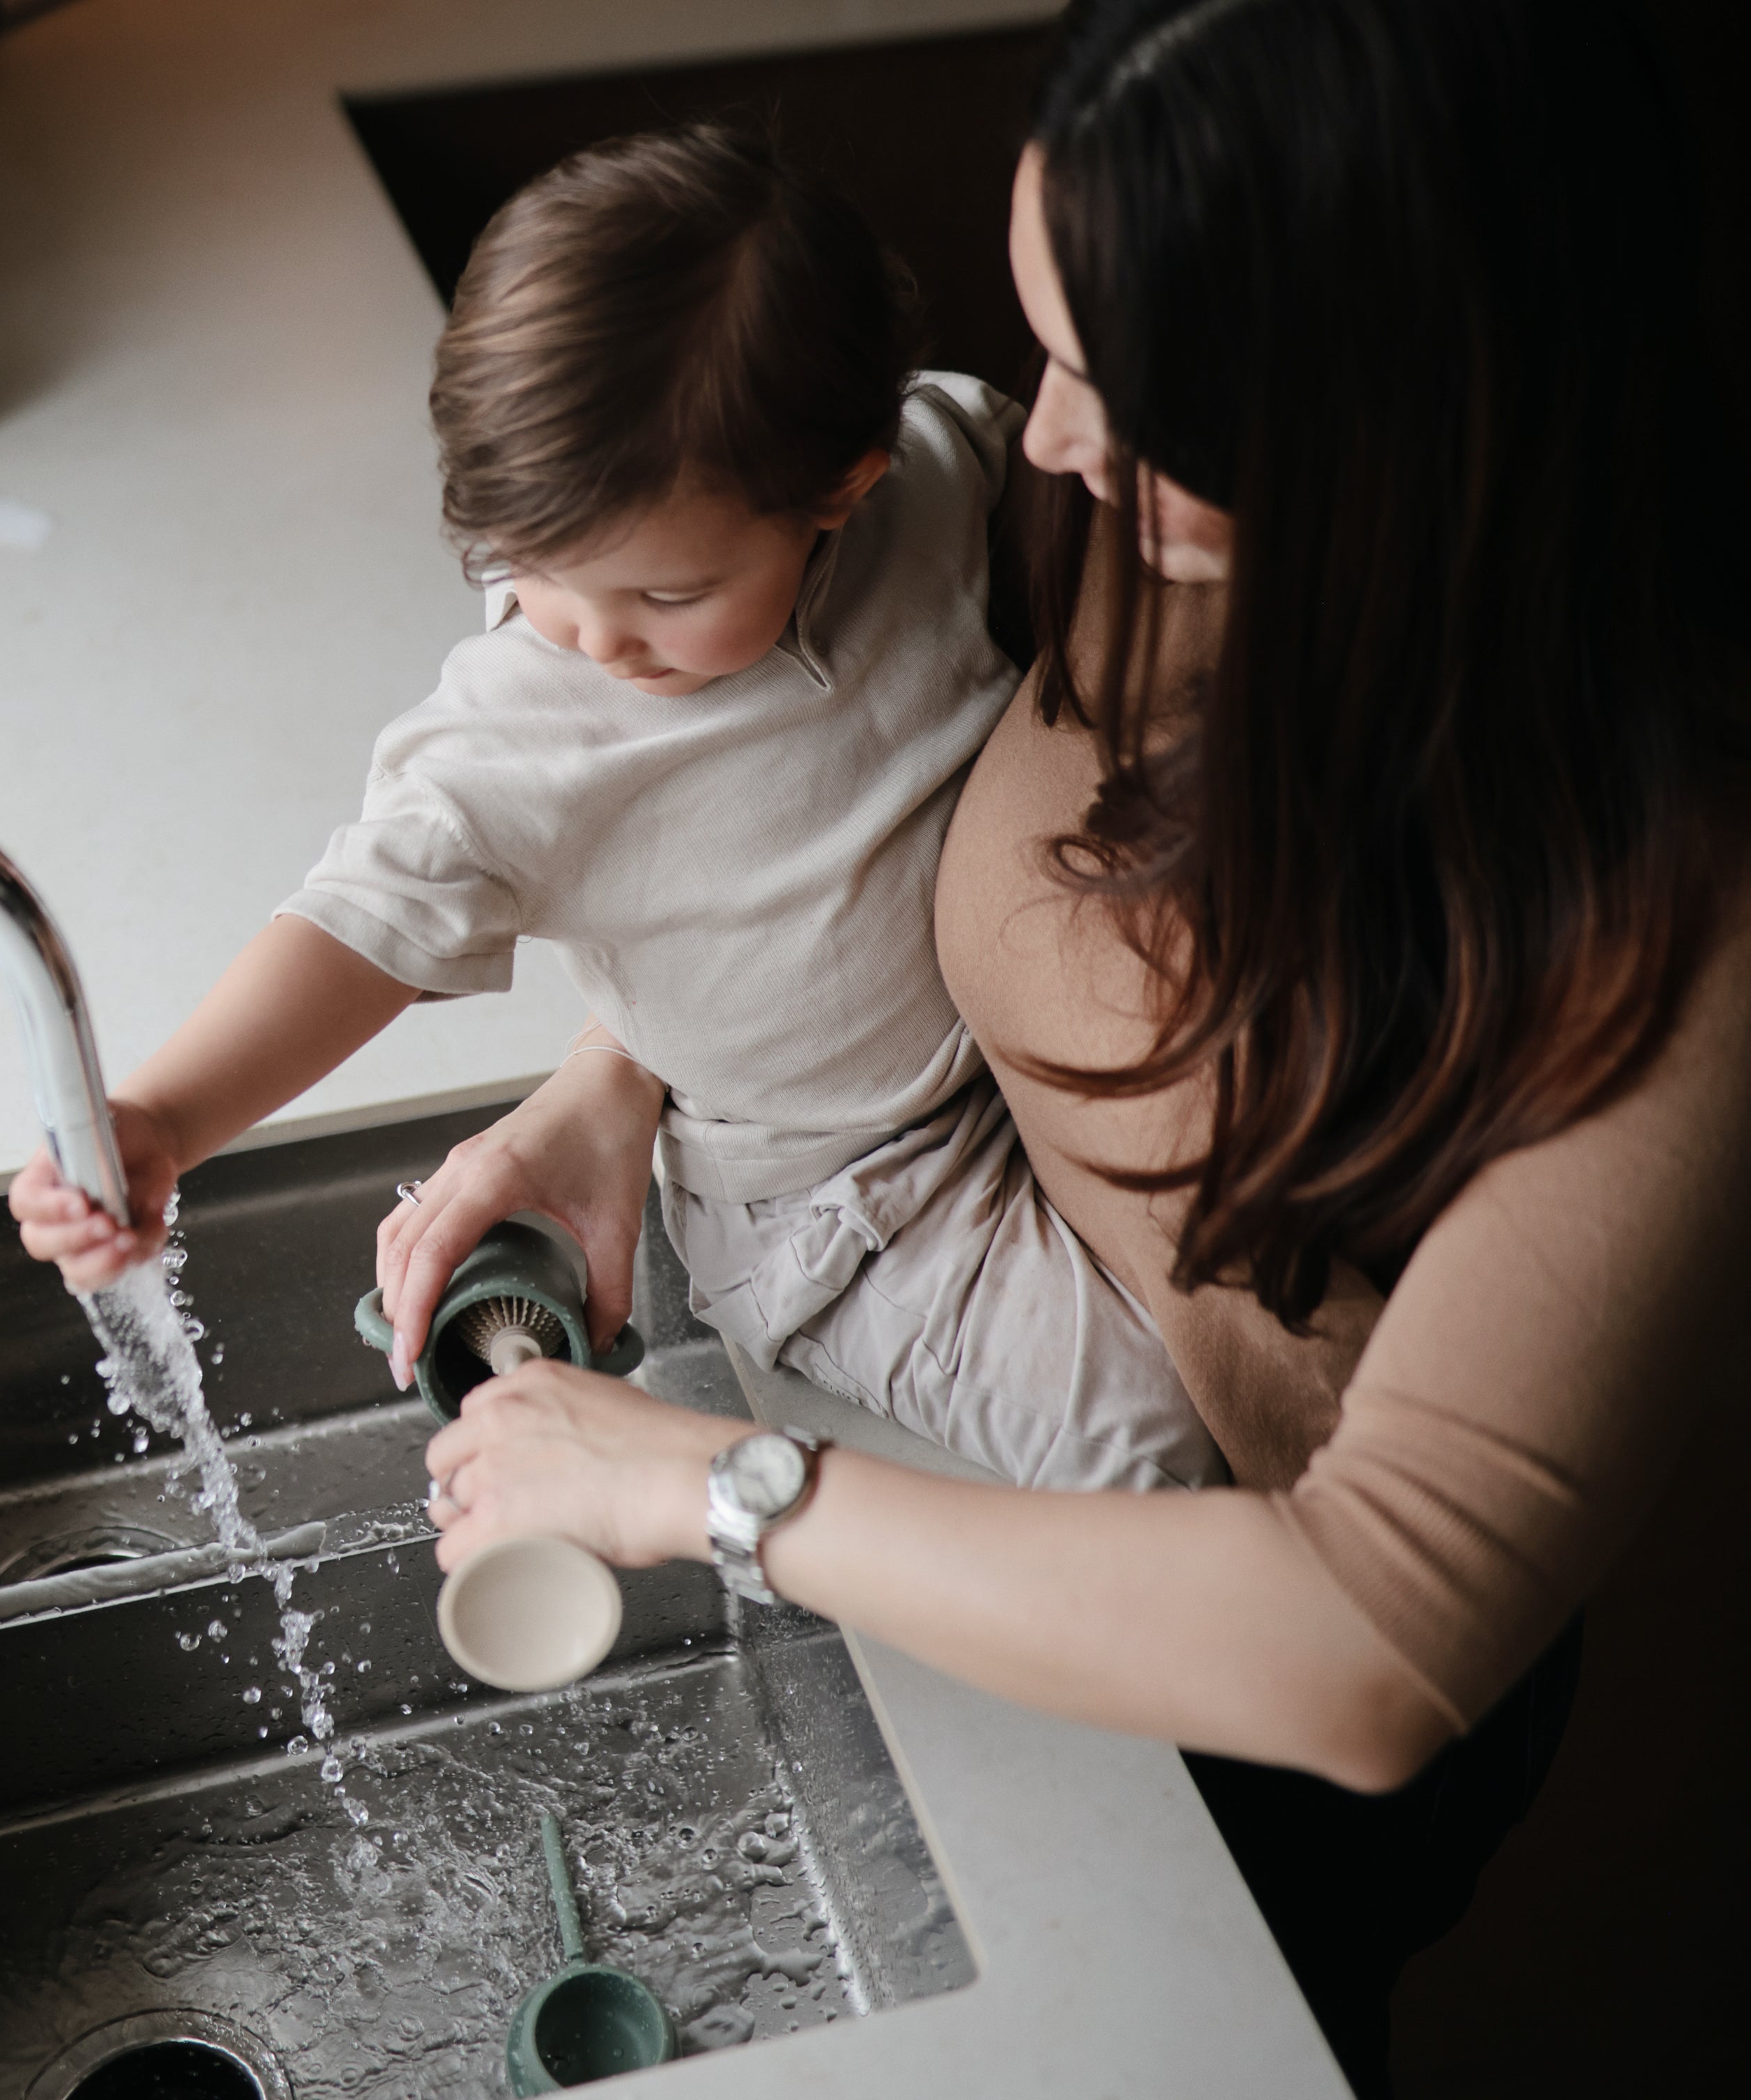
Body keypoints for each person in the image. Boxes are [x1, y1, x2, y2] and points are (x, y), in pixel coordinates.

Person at [377, 3, 1751, 2093]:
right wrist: (621, 1072)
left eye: (1131, 389)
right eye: (1053, 348)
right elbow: (854, 801)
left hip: (1261, 1693)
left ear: (1402, 410)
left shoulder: (1678, 928)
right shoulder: (1127, 521)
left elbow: (1377, 1638)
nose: (1045, 437)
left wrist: (710, 1486)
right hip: (990, 1424)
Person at [10, 124, 1225, 1497]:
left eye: (667, 595)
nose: (594, 637)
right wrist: (166, 1118)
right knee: (1157, 1442)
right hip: (841, 1208)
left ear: (846, 483)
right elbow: (357, 923)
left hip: (1007, 1078)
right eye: (532, 567)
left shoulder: (946, 465)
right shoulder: (528, 731)